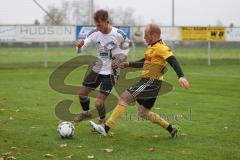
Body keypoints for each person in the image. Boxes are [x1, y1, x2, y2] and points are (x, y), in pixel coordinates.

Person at [90, 23, 190, 138]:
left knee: (124, 98)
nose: (144, 37)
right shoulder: (152, 46)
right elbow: (144, 62)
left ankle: (105, 128)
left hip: (151, 83)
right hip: (149, 83)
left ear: (154, 35)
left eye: (146, 35)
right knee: (143, 113)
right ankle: (171, 129)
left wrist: (181, 76)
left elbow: (173, 60)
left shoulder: (161, 47)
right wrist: (127, 64)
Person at [74, 9, 129, 124]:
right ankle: (86, 113)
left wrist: (119, 59)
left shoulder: (118, 34)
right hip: (97, 68)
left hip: (111, 72)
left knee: (98, 103)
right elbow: (80, 49)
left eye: (99, 25)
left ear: (107, 21)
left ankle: (102, 120)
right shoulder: (94, 34)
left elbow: (126, 47)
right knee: (82, 94)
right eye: (96, 25)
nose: (98, 27)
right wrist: (79, 46)